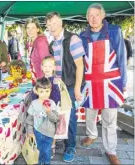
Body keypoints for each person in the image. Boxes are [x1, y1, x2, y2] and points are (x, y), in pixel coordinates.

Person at [79, 3, 127, 165]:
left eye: (96, 15)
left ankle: (111, 150)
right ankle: (92, 134)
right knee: (90, 115)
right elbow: (80, 62)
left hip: (111, 83)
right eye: (90, 16)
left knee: (109, 120)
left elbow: (121, 57)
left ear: (103, 16)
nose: (93, 19)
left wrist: (124, 82)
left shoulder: (115, 31)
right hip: (91, 83)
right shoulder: (82, 36)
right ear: (87, 18)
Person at [45, 11, 85, 162]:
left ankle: (71, 146)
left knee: (70, 117)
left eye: (54, 23)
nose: (52, 27)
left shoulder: (72, 39)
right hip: (56, 85)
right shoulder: (52, 44)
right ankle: (62, 139)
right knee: (58, 115)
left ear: (61, 23)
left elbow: (80, 65)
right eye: (49, 25)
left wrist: (76, 88)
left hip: (69, 85)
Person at [31, 56, 61, 158]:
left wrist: (49, 103)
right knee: (41, 125)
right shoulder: (39, 80)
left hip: (51, 109)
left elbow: (57, 97)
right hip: (40, 110)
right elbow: (34, 96)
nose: (47, 68)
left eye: (50, 66)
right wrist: (34, 92)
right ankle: (41, 145)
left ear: (54, 67)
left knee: (52, 128)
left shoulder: (56, 80)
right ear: (41, 67)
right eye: (45, 66)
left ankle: (52, 145)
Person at [26, 77, 59, 164]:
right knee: (39, 151)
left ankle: (47, 163)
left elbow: (55, 119)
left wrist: (49, 112)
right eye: (41, 91)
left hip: (49, 133)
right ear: (36, 91)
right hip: (37, 132)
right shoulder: (34, 104)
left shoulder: (52, 103)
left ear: (50, 90)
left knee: (47, 151)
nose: (44, 94)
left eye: (47, 91)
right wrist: (30, 131)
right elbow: (29, 120)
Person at [25, 17, 50, 82]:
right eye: (28, 28)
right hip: (35, 79)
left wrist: (44, 83)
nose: (30, 30)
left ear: (37, 29)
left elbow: (46, 63)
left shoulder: (41, 42)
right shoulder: (30, 42)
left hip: (42, 81)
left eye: (33, 28)